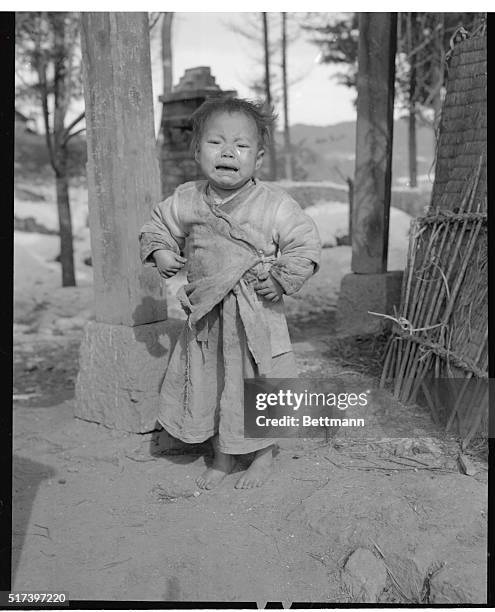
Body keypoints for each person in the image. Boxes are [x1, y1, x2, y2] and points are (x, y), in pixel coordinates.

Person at [139, 97, 321, 490]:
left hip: (256, 312)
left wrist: (281, 278)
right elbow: (159, 224)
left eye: (241, 145)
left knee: (259, 380)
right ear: (197, 151)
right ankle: (223, 455)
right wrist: (162, 250)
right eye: (216, 142)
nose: (227, 152)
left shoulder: (274, 204)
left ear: (258, 158)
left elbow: (304, 244)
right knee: (216, 380)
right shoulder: (187, 198)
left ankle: (264, 453)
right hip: (208, 316)